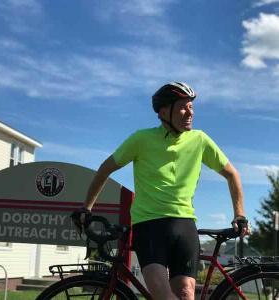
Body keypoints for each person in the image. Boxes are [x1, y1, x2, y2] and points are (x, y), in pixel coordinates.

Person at [74, 82, 250, 300]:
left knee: (186, 293)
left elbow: (232, 174)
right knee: (162, 295)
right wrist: (86, 207)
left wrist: (239, 214)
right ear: (164, 111)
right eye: (183, 107)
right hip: (149, 225)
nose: (190, 113)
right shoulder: (141, 139)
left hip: (185, 223)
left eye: (192, 107)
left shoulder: (200, 140)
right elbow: (105, 169)